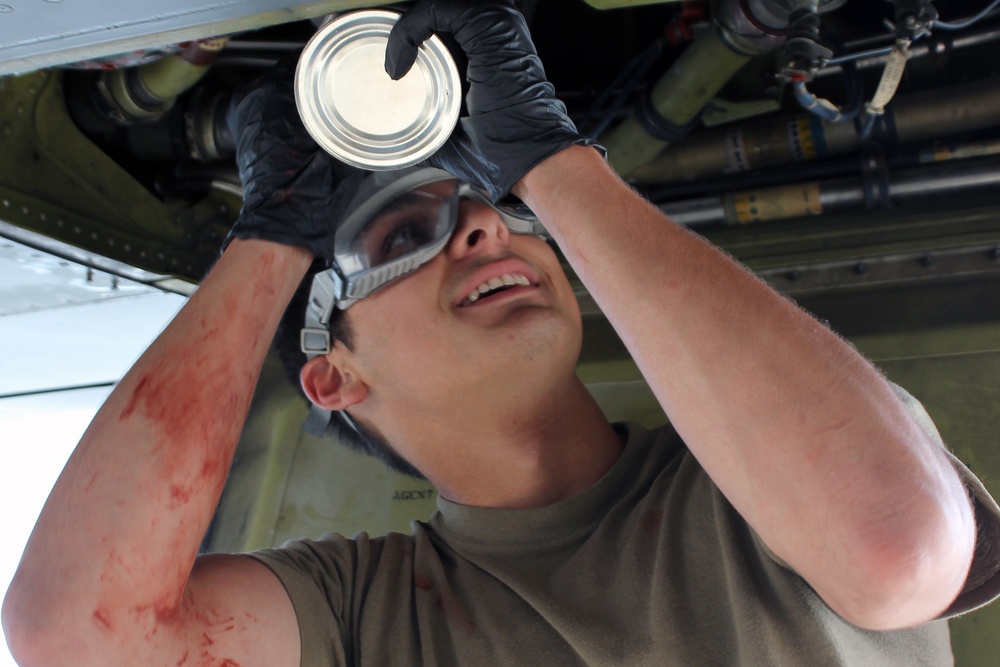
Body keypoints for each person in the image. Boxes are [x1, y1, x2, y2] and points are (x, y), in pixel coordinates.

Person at [4, 1, 999, 665]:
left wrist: (554, 168)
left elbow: (897, 549)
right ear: (332, 375)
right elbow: (76, 638)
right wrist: (268, 239)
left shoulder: (759, 466)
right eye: (404, 232)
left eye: (500, 207)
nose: (483, 223)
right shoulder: (365, 610)